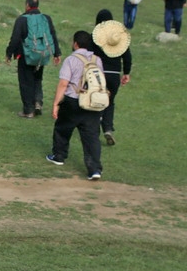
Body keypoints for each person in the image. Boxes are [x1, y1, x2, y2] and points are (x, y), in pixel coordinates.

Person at [46, 30, 104, 181]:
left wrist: (56, 103)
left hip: (73, 100)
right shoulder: (97, 59)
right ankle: (94, 169)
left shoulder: (71, 60)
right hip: (92, 102)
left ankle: (59, 156)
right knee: (91, 136)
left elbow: (63, 83)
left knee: (62, 128)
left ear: (75, 43)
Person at [6, 0, 62, 118]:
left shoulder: (22, 19)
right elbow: (52, 35)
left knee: (25, 82)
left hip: (25, 56)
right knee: (37, 79)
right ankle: (37, 102)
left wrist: (9, 53)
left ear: (27, 5)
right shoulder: (46, 18)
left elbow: (15, 39)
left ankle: (28, 110)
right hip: (41, 55)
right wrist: (56, 53)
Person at [93, 11, 132, 146]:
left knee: (96, 100)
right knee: (110, 101)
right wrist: (126, 73)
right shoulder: (118, 38)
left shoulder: (96, 38)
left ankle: (94, 127)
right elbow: (127, 57)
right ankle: (108, 129)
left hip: (98, 73)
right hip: (114, 75)